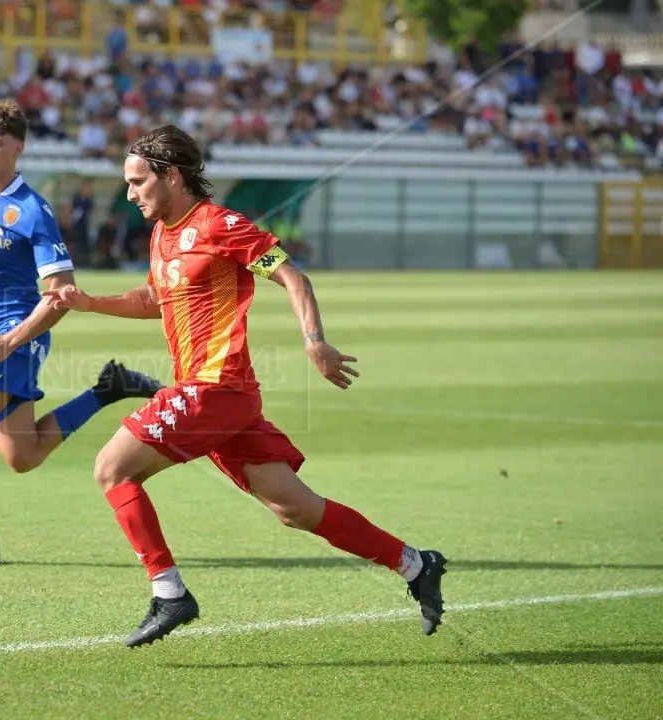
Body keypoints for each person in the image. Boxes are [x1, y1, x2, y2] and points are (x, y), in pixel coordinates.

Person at [43, 125, 446, 647]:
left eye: (138, 181)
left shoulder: (222, 225)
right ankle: (416, 565)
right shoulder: (163, 232)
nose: (129, 194)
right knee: (294, 507)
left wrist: (315, 341)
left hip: (218, 388)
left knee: (111, 468)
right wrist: (91, 302)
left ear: (171, 176)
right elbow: (154, 298)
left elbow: (293, 277)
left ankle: (169, 593)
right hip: (219, 398)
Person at [0, 99, 166, 568]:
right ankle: (107, 389)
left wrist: (11, 340)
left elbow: (61, 293)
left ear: (19, 147)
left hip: (18, 339)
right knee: (22, 455)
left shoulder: (32, 210)